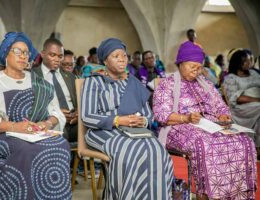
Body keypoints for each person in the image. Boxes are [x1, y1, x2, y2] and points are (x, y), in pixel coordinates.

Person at [0, 32, 72, 199]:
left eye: (26, 52)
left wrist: (47, 124)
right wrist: (16, 127)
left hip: (36, 133)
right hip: (4, 135)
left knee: (61, 144)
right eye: (17, 51)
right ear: (5, 54)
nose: (23, 56)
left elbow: (56, 113)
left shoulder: (40, 83)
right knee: (25, 149)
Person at [153, 41, 257, 200]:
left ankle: (237, 194)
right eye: (192, 66)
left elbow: (221, 106)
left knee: (244, 141)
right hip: (178, 125)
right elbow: (161, 115)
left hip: (210, 125)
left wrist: (223, 116)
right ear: (181, 63)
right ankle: (208, 194)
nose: (197, 71)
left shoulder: (206, 84)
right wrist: (186, 118)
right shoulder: (166, 84)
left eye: (199, 67)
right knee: (204, 144)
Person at [81, 38, 173, 199]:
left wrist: (142, 121)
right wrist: (118, 120)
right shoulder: (94, 82)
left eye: (124, 55)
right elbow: (87, 116)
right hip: (102, 130)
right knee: (129, 151)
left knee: (157, 149)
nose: (122, 59)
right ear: (105, 60)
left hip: (134, 131)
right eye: (116, 56)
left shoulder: (134, 83)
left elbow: (148, 115)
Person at [33, 38, 78, 143]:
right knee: (60, 133)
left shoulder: (70, 77)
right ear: (43, 54)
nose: (57, 59)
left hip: (74, 122)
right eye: (52, 55)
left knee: (91, 129)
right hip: (50, 122)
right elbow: (33, 106)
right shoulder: (33, 76)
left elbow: (78, 101)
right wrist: (56, 114)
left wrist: (77, 113)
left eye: (60, 56)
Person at [223, 50, 260, 147]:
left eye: (249, 60)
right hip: (240, 109)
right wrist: (257, 100)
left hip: (255, 104)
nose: (249, 63)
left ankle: (257, 144)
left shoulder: (253, 73)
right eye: (245, 61)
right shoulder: (231, 78)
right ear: (237, 63)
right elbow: (235, 99)